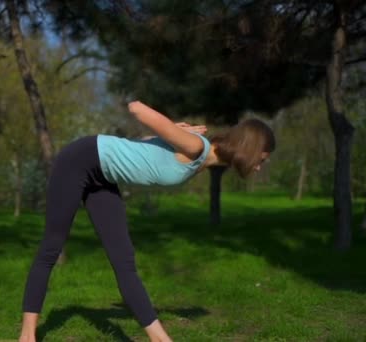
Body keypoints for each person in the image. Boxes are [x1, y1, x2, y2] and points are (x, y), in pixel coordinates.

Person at [18, 101, 276, 342]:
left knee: (124, 261)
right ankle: (27, 336)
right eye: (261, 160)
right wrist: (172, 128)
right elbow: (136, 108)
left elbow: (143, 149)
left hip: (103, 176)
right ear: (249, 151)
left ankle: (160, 339)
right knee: (52, 247)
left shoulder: (201, 155)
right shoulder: (196, 147)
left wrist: (166, 135)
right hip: (78, 161)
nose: (259, 168)